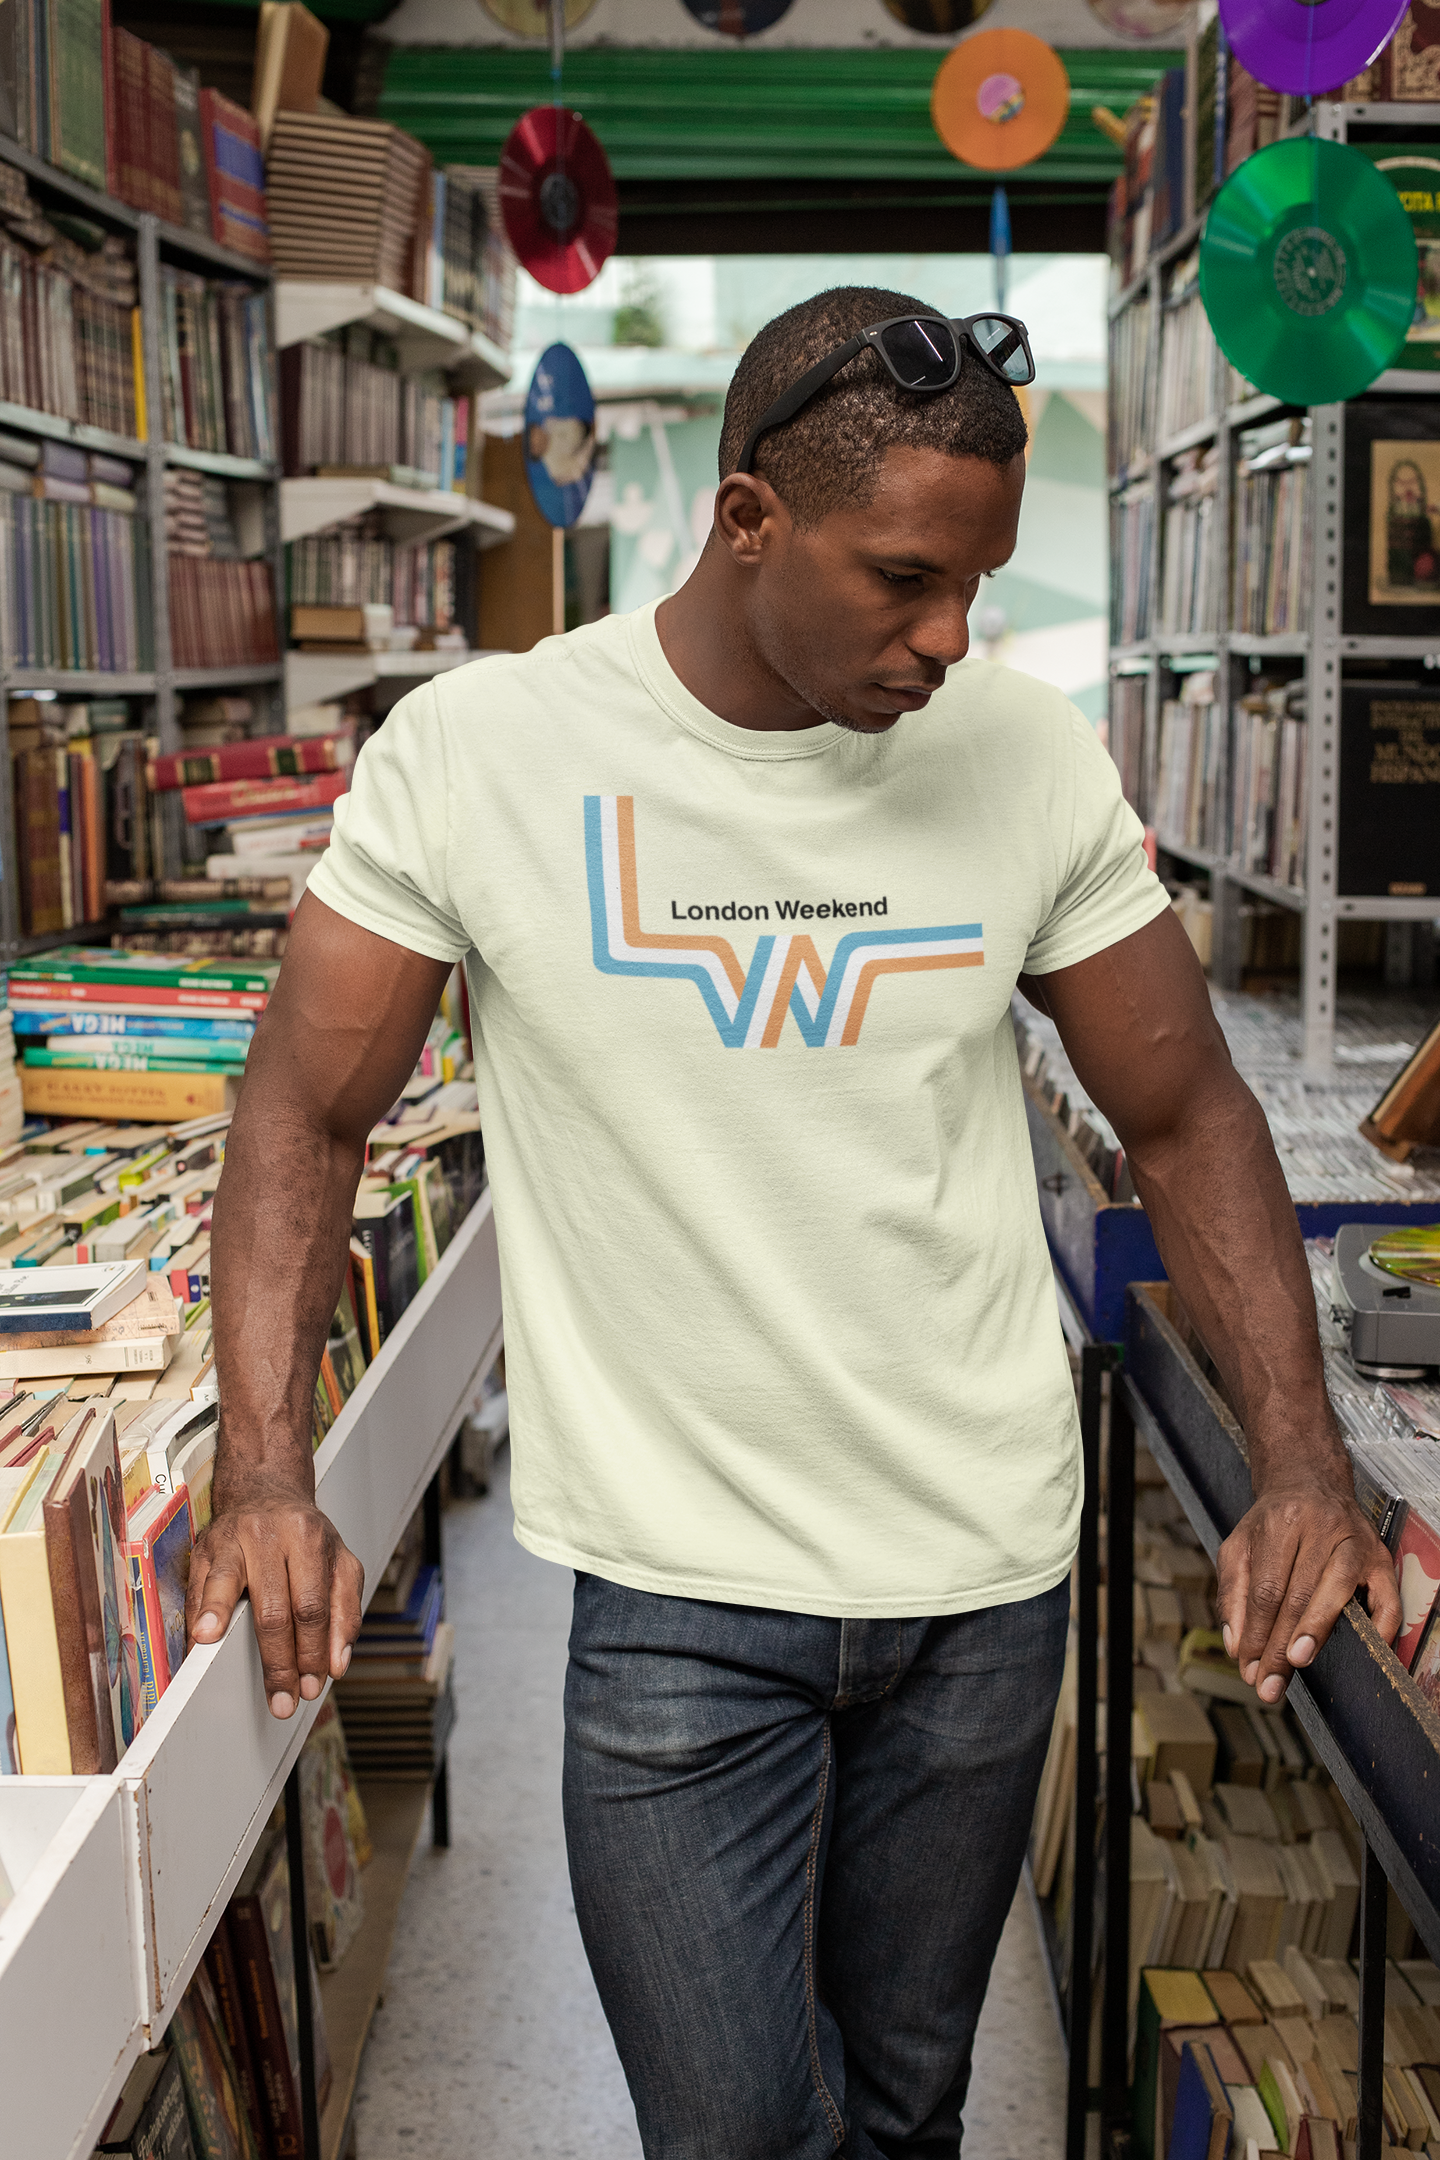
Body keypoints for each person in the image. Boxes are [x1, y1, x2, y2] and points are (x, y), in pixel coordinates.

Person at [187, 287, 1400, 2159]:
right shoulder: (484, 751)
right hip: (676, 1591)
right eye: (905, 579)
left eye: (976, 584)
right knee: (737, 2126)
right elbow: (305, 1108)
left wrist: (1302, 1461)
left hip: (982, 1583)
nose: (951, 637)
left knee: (910, 2107)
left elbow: (1184, 1115)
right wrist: (267, 1473)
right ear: (746, 517)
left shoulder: (1022, 755)